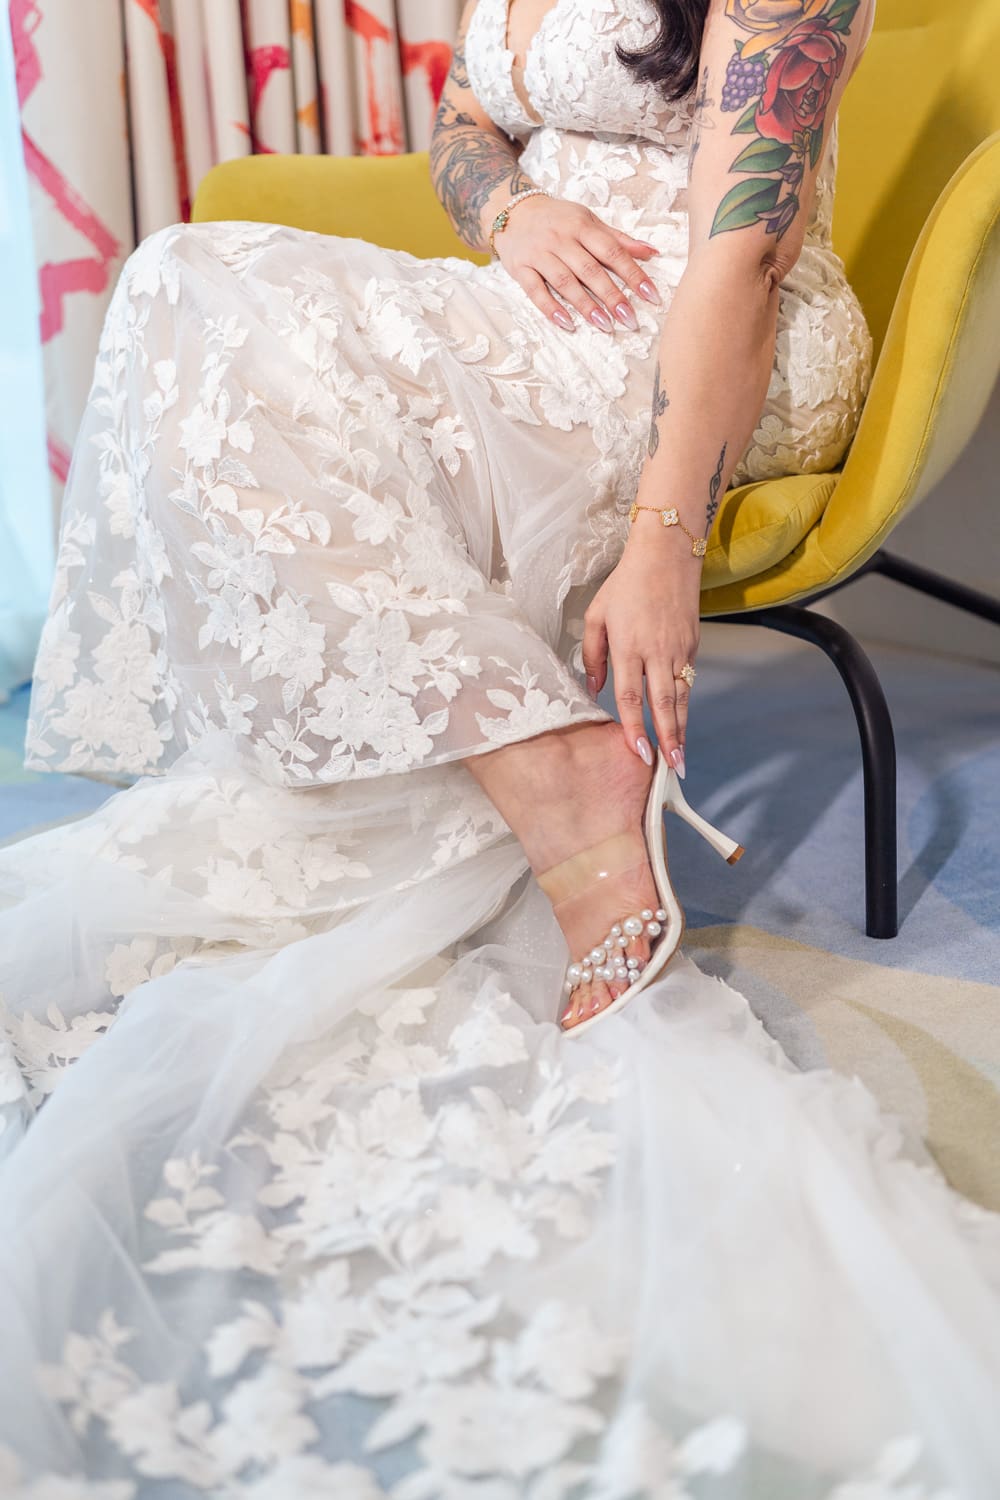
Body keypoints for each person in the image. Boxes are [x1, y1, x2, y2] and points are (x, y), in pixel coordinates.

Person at [1, 0, 999, 1494]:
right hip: (534, 301)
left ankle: (556, 772)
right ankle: (545, 752)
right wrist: (512, 209)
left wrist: (665, 544)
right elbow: (468, 117)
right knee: (180, 283)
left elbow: (741, 255)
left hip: (704, 340)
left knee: (207, 303)